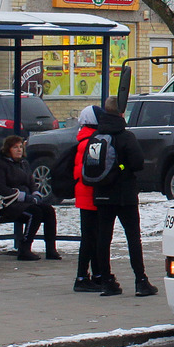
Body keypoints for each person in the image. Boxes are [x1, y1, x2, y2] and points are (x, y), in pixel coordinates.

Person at [91, 96, 157, 297]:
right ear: (121, 113)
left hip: (101, 193)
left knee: (104, 238)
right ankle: (141, 281)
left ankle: (106, 281)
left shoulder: (97, 135)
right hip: (124, 194)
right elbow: (137, 163)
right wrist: (122, 167)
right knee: (132, 238)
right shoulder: (125, 136)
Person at [0, 135, 60, 261]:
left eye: (21, 147)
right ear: (8, 149)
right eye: (15, 147)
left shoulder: (24, 163)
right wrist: (24, 197)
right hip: (8, 204)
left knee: (49, 210)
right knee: (35, 213)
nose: (19, 150)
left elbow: (31, 183)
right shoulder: (0, 165)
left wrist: (36, 194)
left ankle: (51, 250)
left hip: (27, 202)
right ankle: (24, 249)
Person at [72, 106, 103, 291]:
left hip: (84, 194)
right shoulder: (92, 141)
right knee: (91, 238)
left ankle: (93, 274)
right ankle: (82, 277)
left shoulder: (84, 139)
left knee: (91, 237)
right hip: (90, 195)